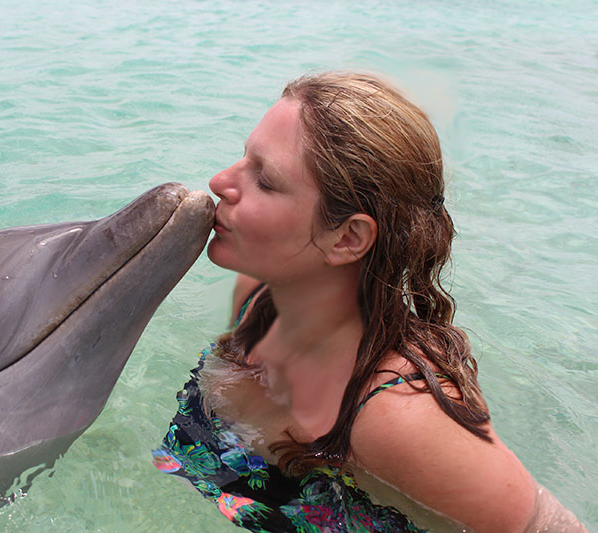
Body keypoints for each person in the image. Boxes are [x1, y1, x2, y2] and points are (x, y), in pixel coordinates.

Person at [152, 72, 586, 531]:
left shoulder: (398, 420)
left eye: (266, 180)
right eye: (244, 157)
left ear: (348, 238)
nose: (221, 181)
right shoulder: (257, 298)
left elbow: (543, 524)